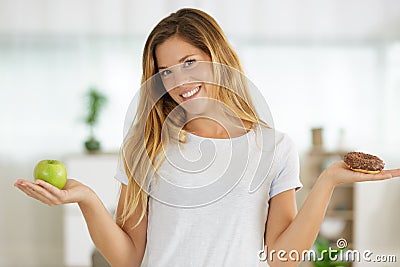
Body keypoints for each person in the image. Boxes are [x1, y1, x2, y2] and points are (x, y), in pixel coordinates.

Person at [14, 8, 400, 267]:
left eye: (189, 63)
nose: (178, 81)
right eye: (165, 71)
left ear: (218, 58)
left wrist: (328, 181)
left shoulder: (275, 147)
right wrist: (86, 199)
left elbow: (283, 258)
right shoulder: (147, 146)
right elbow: (130, 257)